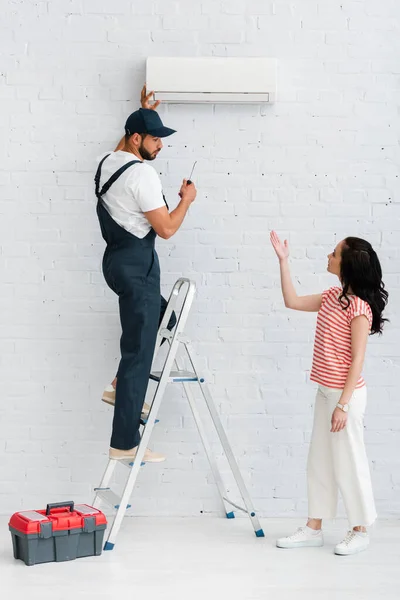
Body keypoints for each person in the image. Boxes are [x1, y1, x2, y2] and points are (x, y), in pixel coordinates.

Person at [95, 86, 197, 462]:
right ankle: (124, 443)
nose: (161, 147)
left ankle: (119, 386)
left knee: (161, 316)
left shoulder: (109, 160)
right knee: (138, 352)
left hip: (115, 262)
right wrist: (185, 201)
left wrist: (142, 112)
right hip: (138, 268)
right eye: (155, 139)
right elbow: (167, 229)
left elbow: (125, 142)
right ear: (137, 139)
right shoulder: (142, 176)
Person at [270, 231, 388, 556]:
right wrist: (283, 261)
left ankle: (360, 529)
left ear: (347, 265)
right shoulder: (331, 297)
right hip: (326, 392)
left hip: (344, 398)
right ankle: (314, 527)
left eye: (334, 253)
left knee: (349, 462)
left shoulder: (359, 309)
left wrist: (343, 405)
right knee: (319, 461)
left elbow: (357, 360)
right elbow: (291, 301)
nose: (329, 256)